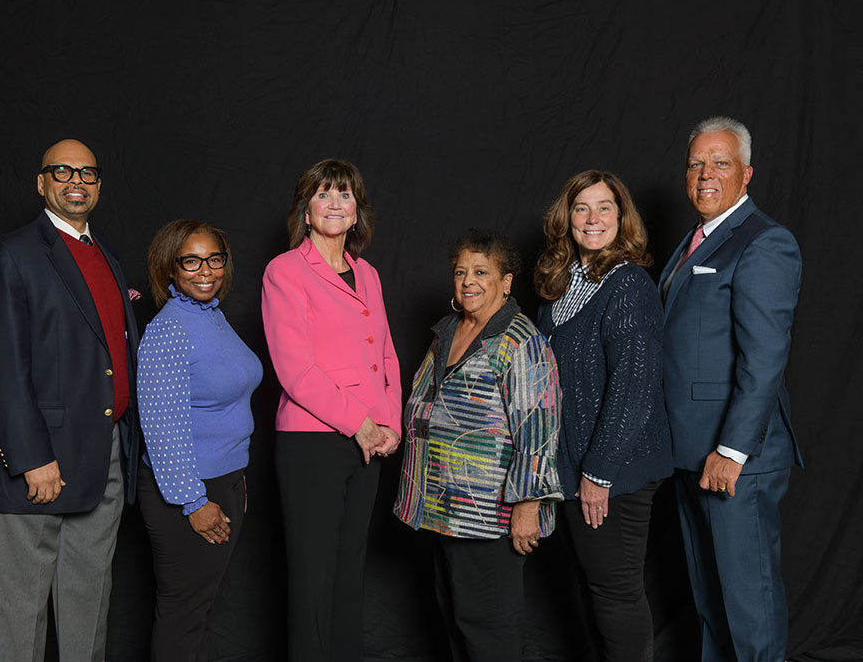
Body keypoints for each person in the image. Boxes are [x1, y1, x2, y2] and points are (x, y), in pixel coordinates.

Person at [0, 139, 140, 661]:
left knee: (89, 599)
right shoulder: (13, 253)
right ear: (41, 183)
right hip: (40, 459)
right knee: (23, 608)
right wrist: (30, 458)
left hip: (106, 452)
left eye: (88, 173)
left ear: (99, 185)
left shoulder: (105, 255)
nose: (76, 181)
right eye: (62, 171)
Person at [659, 117, 802, 661]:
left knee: (749, 604)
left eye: (719, 163)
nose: (705, 175)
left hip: (734, 457)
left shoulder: (765, 242)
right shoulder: (695, 240)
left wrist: (732, 449)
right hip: (692, 452)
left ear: (746, 173)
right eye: (695, 163)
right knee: (711, 602)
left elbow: (764, 359)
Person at [394, 229, 563, 662]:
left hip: (489, 513)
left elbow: (539, 426)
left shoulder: (520, 340)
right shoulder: (448, 331)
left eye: (481, 272)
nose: (468, 281)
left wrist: (528, 504)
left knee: (487, 629)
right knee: (455, 619)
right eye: (460, 272)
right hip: (442, 506)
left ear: (506, 281)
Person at [261, 158, 402, 662]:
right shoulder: (285, 271)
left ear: (358, 210)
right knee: (314, 578)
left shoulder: (368, 273)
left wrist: (390, 423)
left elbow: (385, 353)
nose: (337, 203)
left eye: (346, 194)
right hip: (313, 443)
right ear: (306, 209)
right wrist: (361, 423)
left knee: (349, 572)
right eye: (325, 194)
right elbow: (295, 369)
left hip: (368, 442)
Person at [534, 170, 673, 662]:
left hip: (614, 470)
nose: (593, 219)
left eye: (604, 208)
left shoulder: (628, 282)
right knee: (592, 591)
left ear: (621, 217)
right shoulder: (562, 285)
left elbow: (634, 388)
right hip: (573, 467)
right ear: (566, 218)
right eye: (581, 208)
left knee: (615, 596)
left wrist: (599, 473)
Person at [135, 220, 262, 661]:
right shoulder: (169, 330)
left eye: (215, 259)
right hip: (188, 493)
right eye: (191, 260)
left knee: (198, 610)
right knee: (183, 613)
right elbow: (160, 427)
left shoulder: (212, 316)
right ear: (170, 268)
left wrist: (234, 480)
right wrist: (194, 501)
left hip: (222, 481)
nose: (205, 270)